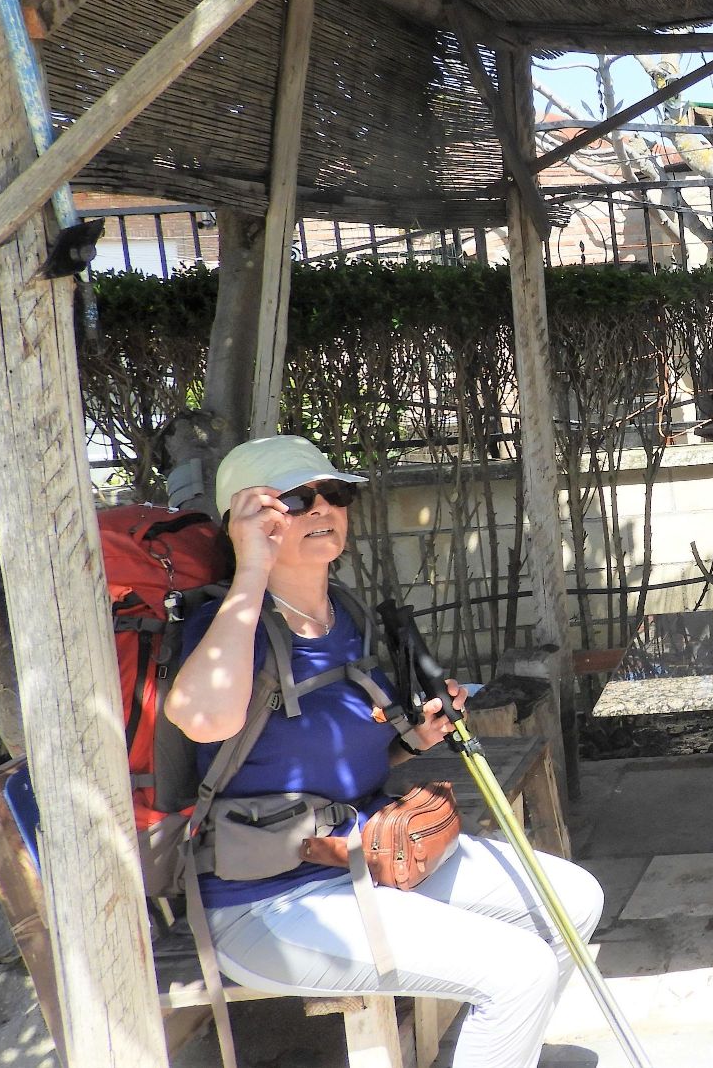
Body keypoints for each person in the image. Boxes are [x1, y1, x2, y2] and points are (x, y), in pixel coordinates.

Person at [166, 435, 603, 1068]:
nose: (322, 508)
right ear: (245, 518)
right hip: (267, 900)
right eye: (296, 500)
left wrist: (410, 740)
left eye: (334, 494)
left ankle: (499, 1051)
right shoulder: (227, 625)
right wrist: (251, 570)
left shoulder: (347, 614)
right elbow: (206, 721)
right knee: (520, 971)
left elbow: (333, 756)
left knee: (574, 900)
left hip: (368, 855)